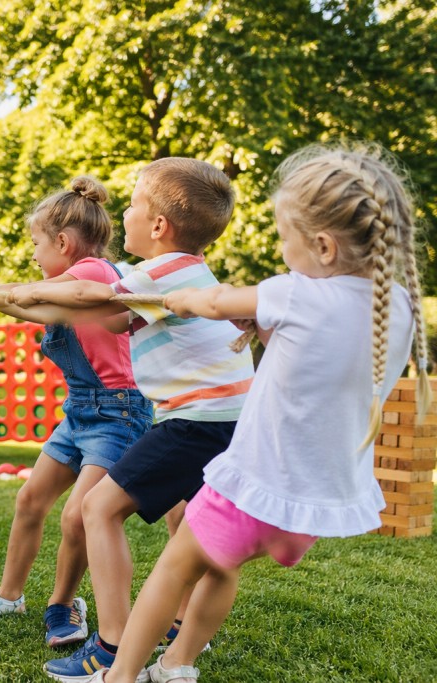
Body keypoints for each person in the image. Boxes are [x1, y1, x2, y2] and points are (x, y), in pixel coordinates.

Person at [89, 146, 430, 683]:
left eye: (283, 236)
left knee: (176, 567)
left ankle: (120, 675)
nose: (279, 248)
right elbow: (324, 346)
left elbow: (216, 300)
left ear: (321, 245)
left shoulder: (291, 294)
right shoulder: (399, 304)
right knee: (220, 564)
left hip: (256, 484)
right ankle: (177, 665)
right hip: (316, 503)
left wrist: (181, 301)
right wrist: (266, 327)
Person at [4, 158, 255, 680]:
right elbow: (109, 316)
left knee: (99, 510)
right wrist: (7, 304)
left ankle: (112, 648)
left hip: (199, 420)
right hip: (229, 420)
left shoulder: (159, 272)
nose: (126, 212)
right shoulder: (184, 274)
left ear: (159, 226)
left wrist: (19, 292)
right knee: (187, 521)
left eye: (136, 204)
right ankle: (179, 631)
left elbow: (82, 296)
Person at [0, 177, 153, 648]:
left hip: (118, 414)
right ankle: (8, 596)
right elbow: (40, 309)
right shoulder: (66, 290)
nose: (34, 255)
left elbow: (34, 293)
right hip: (80, 411)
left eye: (37, 244)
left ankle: (64, 604)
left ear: (62, 242)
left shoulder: (98, 273)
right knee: (30, 500)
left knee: (77, 516)